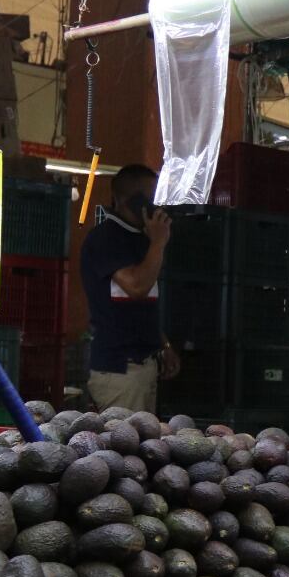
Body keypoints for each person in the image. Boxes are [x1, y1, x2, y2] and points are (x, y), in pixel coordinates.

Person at [80, 164, 180, 412]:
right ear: (131, 201)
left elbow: (144, 304)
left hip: (145, 364)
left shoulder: (142, 240)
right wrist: (158, 242)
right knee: (125, 444)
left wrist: (163, 344)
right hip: (120, 368)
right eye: (150, 198)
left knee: (147, 445)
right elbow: (137, 286)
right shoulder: (105, 238)